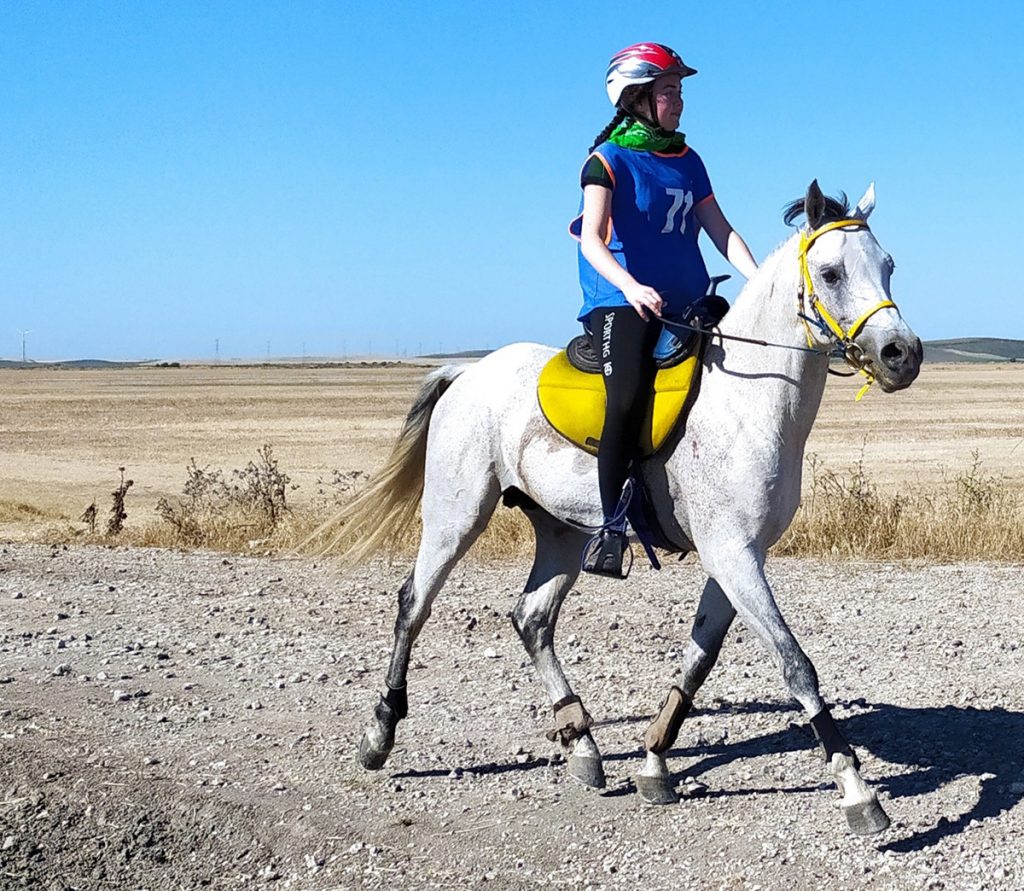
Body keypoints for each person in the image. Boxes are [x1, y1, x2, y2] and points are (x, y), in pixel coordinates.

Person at [571, 42, 759, 577]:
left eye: (679, 91)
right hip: (621, 301)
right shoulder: (605, 162)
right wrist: (630, 287)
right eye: (668, 91)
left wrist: (763, 278)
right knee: (627, 395)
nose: (679, 101)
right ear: (637, 97)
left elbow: (720, 230)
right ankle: (611, 529)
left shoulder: (688, 159)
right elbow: (591, 241)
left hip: (687, 301)